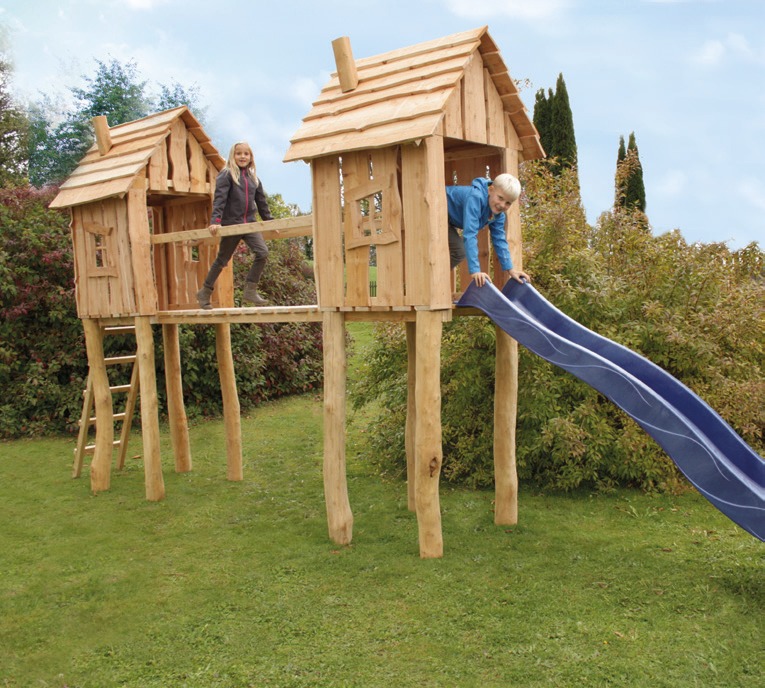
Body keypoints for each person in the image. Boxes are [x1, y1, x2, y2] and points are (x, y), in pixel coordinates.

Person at [197, 141, 272, 309]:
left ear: (251, 157)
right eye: (239, 153)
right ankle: (205, 291)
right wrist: (215, 221)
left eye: (246, 154)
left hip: (250, 224)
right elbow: (220, 199)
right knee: (222, 260)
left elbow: (262, 203)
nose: (242, 156)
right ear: (233, 156)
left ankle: (250, 290)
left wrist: (270, 221)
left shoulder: (254, 179)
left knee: (262, 252)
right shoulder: (226, 175)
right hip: (232, 224)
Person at [446, 173, 530, 290]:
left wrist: (511, 270)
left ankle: (435, 276)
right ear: (491, 190)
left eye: (508, 203)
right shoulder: (475, 198)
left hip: (448, 221)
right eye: (500, 198)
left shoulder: (498, 215)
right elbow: (470, 234)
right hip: (436, 209)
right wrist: (475, 271)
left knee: (459, 252)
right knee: (458, 251)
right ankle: (432, 276)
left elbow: (500, 240)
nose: (502, 205)